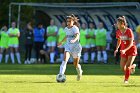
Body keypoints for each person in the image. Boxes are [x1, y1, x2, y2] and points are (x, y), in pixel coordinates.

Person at [57, 14, 83, 81]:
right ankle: (61, 74)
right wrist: (61, 42)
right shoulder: (66, 28)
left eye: (69, 21)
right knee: (65, 59)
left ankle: (79, 73)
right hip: (68, 46)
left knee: (75, 64)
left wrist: (74, 40)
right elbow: (67, 36)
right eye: (67, 21)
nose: (68, 22)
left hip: (76, 47)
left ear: (73, 22)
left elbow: (77, 35)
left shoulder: (75, 28)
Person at [114, 16, 137, 83]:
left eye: (118, 23)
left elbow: (131, 44)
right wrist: (117, 49)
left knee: (127, 66)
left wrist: (125, 50)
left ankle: (126, 80)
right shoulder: (118, 31)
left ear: (122, 23)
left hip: (131, 50)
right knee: (122, 67)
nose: (116, 25)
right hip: (123, 50)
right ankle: (132, 67)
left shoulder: (129, 31)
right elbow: (119, 41)